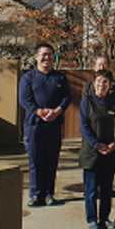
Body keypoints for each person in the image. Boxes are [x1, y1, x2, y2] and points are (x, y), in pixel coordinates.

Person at [18, 43, 71, 208]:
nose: (47, 58)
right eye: (43, 54)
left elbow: (67, 98)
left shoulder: (60, 78)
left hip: (54, 126)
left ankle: (49, 193)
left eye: (50, 54)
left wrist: (57, 111)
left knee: (51, 160)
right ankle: (35, 194)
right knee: (35, 160)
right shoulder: (28, 77)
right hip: (35, 126)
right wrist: (39, 112)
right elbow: (24, 99)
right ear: (36, 56)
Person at [79, 68, 115, 229]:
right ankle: (92, 219)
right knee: (90, 190)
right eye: (99, 81)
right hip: (92, 152)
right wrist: (97, 144)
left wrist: (113, 144)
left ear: (110, 85)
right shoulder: (86, 102)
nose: (101, 85)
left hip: (109, 153)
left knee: (106, 190)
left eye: (105, 82)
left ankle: (104, 218)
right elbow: (84, 127)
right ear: (93, 82)